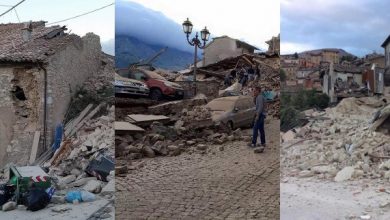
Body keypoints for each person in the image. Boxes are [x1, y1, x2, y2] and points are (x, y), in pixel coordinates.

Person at [249, 86, 266, 151]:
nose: (254, 92)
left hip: (260, 115)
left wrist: (257, 115)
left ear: (258, 91)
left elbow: (260, 107)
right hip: (262, 114)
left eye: (255, 91)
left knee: (255, 128)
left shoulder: (259, 97)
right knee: (261, 129)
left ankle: (253, 143)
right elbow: (258, 106)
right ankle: (263, 143)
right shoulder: (258, 97)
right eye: (253, 91)